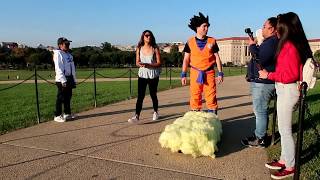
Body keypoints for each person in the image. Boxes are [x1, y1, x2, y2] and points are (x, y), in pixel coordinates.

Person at [259, 12, 313, 179]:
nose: (276, 29)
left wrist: (269, 75)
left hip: (287, 89)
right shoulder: (290, 44)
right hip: (285, 89)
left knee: (285, 130)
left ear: (285, 27)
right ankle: (285, 159)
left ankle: (289, 165)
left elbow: (288, 75)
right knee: (283, 130)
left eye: (279, 25)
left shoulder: (289, 46)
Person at [241, 17, 278, 148]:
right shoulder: (269, 42)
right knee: (260, 110)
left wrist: (251, 45)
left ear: (272, 29)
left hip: (264, 83)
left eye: (264, 26)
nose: (262, 29)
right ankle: (260, 135)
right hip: (261, 82)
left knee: (260, 110)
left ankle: (260, 138)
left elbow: (259, 58)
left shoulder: (271, 42)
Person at [181, 12, 223, 114]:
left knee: (211, 96)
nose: (206, 28)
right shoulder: (190, 42)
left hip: (209, 73)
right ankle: (196, 120)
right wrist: (183, 74)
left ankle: (213, 120)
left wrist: (220, 73)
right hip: (195, 72)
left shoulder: (212, 41)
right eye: (204, 26)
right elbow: (186, 59)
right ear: (197, 27)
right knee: (195, 96)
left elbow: (217, 57)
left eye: (207, 26)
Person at [128, 30, 161, 123]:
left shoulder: (155, 48)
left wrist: (149, 65)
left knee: (153, 94)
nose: (148, 37)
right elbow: (137, 62)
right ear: (143, 37)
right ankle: (136, 116)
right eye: (146, 35)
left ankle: (156, 112)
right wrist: (140, 64)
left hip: (153, 75)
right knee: (140, 96)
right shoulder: (139, 48)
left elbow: (159, 63)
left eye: (150, 35)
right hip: (142, 75)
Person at [53, 37, 77, 122]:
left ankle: (67, 113)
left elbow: (72, 68)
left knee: (68, 97)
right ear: (60, 45)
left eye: (68, 44)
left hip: (69, 78)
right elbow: (58, 68)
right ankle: (57, 115)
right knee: (60, 98)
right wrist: (63, 80)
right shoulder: (58, 54)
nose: (68, 45)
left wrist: (74, 79)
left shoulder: (69, 55)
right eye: (66, 44)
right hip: (62, 79)